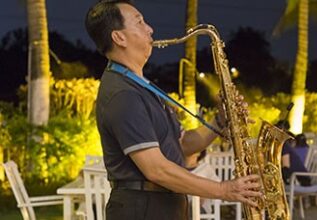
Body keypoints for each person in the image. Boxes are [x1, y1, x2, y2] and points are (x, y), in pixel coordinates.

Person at [84, 1, 262, 219]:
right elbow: (156, 169)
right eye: (139, 22)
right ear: (119, 37)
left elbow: (184, 144)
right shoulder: (123, 94)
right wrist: (224, 190)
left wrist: (220, 121)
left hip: (164, 205)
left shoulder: (142, 87)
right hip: (144, 209)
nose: (150, 29)